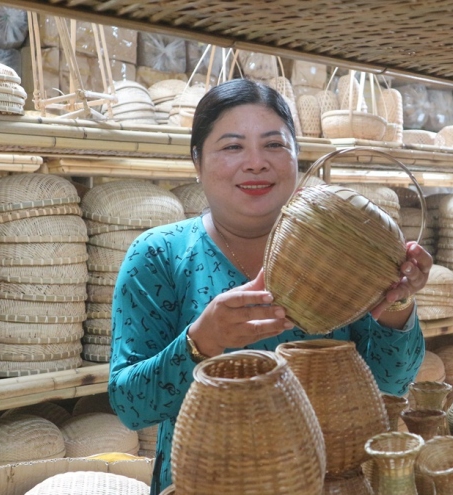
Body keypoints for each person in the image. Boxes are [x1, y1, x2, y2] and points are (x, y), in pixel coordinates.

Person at [108, 78, 432, 494]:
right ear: (197, 161)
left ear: (297, 157)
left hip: (325, 482)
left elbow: (390, 384)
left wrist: (396, 303)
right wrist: (200, 341)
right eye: (232, 146)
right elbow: (130, 406)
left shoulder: (342, 251)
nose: (256, 162)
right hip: (201, 483)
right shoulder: (159, 254)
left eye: (274, 145)